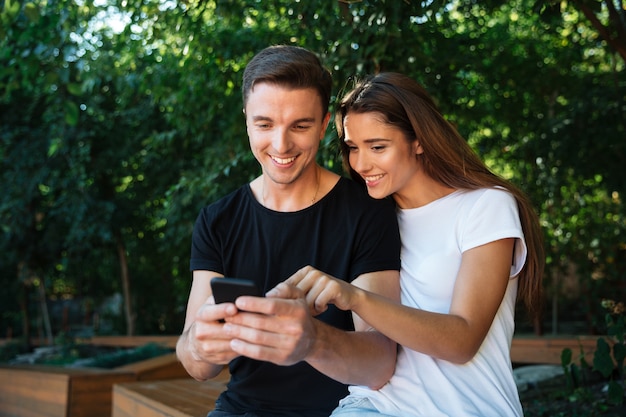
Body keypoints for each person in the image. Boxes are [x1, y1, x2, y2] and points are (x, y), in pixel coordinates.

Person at [272, 72, 545, 417]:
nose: (361, 164)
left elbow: (462, 341)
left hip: (469, 408)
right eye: (353, 147)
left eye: (377, 147)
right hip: (374, 406)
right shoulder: (370, 221)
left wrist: (353, 296)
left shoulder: (485, 206)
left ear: (418, 140)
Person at [175, 46, 402, 417]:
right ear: (246, 118)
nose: (281, 145)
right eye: (265, 124)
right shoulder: (217, 220)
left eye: (300, 125)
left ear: (326, 124)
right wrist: (200, 348)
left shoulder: (367, 211)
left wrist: (313, 341)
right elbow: (196, 364)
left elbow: (380, 365)